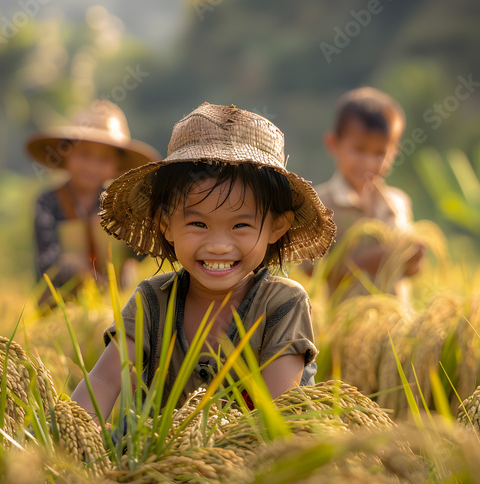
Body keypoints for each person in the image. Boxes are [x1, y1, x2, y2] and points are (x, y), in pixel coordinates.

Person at [71, 103, 336, 418]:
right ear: (165, 224)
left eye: (240, 226)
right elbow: (101, 381)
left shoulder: (281, 304)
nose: (219, 246)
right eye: (198, 224)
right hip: (156, 462)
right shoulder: (152, 302)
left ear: (276, 226)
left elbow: (279, 413)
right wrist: (65, 433)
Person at [27, 100, 161, 302]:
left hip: (115, 302)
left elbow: (141, 251)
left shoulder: (121, 204)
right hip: (59, 303)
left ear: (117, 163)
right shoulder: (47, 203)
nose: (92, 166)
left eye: (103, 159)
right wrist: (79, 273)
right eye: (85, 154)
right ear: (66, 154)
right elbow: (47, 261)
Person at [311, 87, 425, 300]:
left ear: (395, 152)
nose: (369, 163)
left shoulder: (398, 203)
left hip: (397, 324)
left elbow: (410, 273)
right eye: (359, 150)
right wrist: (366, 262)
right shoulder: (321, 204)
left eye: (380, 153)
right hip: (348, 325)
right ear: (333, 144)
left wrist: (414, 260)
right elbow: (312, 271)